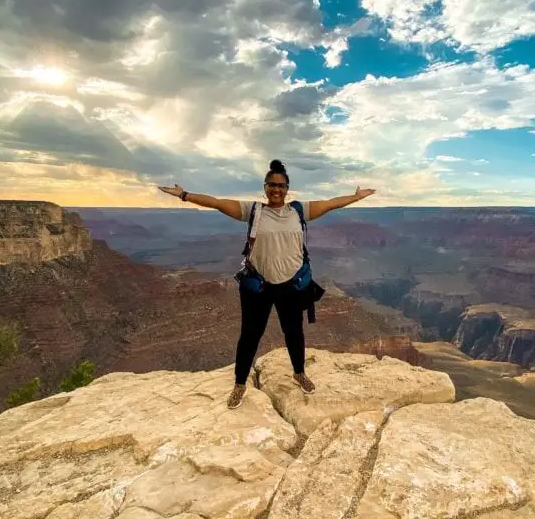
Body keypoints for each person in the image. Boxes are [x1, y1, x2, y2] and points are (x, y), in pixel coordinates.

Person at [158, 159, 376, 408]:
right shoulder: (253, 211)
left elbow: (330, 204)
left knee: (294, 332)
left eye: (281, 185)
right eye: (272, 185)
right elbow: (217, 203)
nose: (276, 189)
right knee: (250, 335)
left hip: (291, 286)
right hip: (258, 285)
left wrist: (356, 197)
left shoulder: (299, 211)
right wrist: (183, 195)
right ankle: (240, 385)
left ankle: (299, 373)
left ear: (287, 188)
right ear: (265, 187)